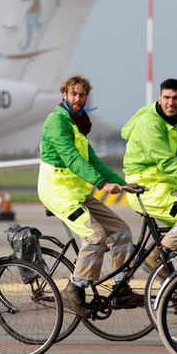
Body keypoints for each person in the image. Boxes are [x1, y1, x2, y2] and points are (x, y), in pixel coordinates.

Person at [38, 75, 144, 317]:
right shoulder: (56, 122)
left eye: (82, 95)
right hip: (58, 194)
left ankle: (121, 288)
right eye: (74, 94)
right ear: (64, 94)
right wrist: (101, 183)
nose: (78, 98)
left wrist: (122, 183)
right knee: (95, 236)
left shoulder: (77, 123)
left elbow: (92, 160)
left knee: (121, 230)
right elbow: (72, 159)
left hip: (77, 193)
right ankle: (74, 290)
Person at [122, 78, 177, 271]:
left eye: (175, 98)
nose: (171, 102)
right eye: (167, 97)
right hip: (145, 188)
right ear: (159, 98)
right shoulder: (149, 123)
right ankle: (154, 260)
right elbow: (167, 161)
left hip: (165, 186)